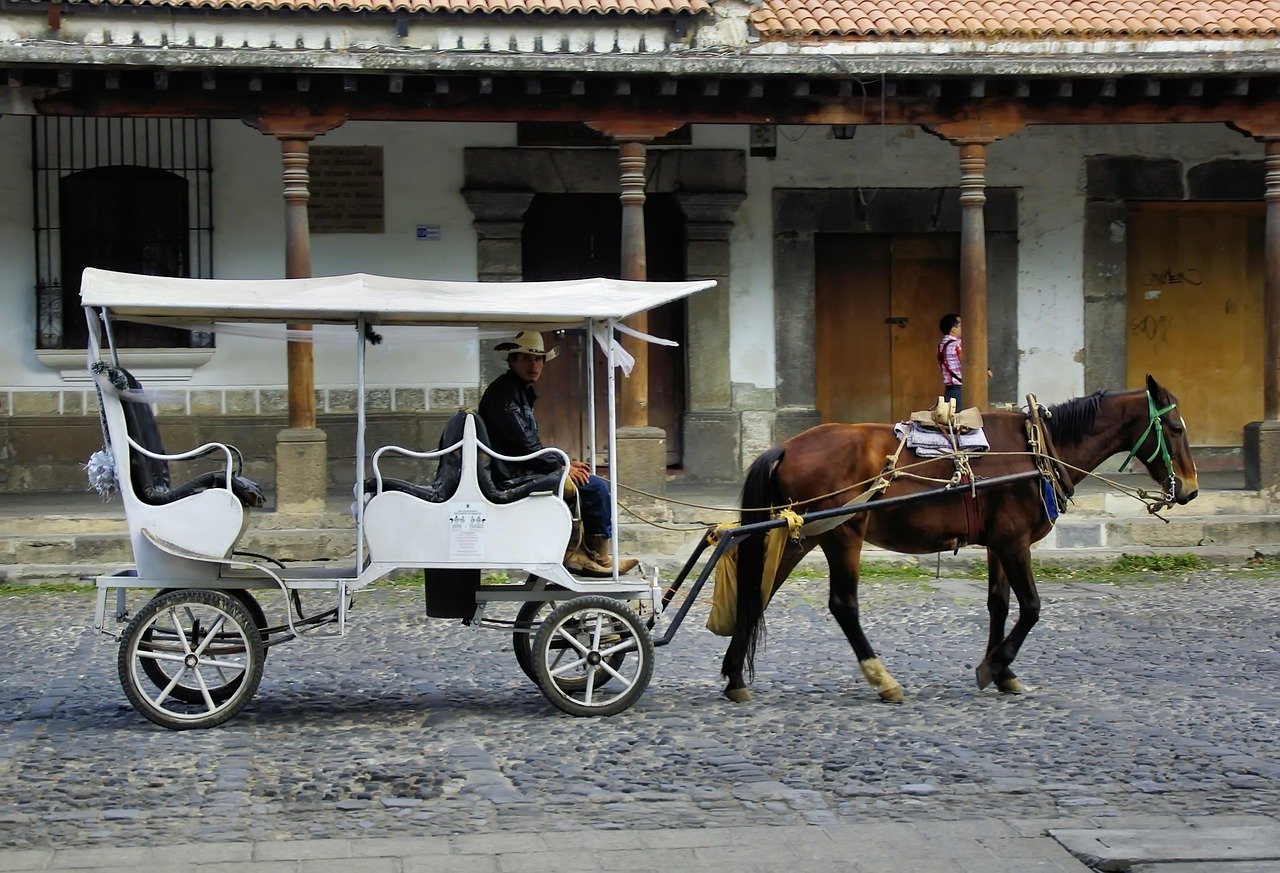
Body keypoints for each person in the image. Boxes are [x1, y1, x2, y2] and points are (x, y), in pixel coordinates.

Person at [478, 330, 638, 577]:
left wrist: (562, 461)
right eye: (525, 358)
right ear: (512, 360)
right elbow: (525, 446)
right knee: (594, 487)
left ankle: (590, 553)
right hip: (512, 475)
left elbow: (527, 443)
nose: (534, 365)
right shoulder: (505, 395)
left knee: (587, 479)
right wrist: (560, 466)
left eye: (538, 359)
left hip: (518, 467)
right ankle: (591, 556)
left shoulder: (517, 390)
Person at [937, 313, 964, 408]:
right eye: (961, 325)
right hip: (960, 390)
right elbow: (970, 363)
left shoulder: (942, 345)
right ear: (953, 329)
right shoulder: (958, 344)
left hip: (949, 390)